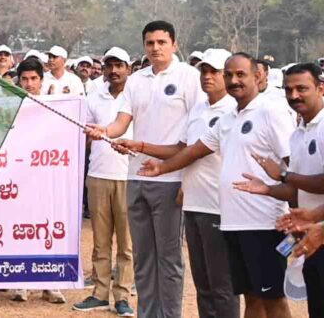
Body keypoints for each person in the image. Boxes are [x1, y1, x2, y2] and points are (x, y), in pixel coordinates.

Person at [137, 53, 295, 318]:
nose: (233, 80)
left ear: (257, 76)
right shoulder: (230, 117)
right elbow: (196, 149)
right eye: (229, 74)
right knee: (252, 298)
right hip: (233, 221)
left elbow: (293, 164)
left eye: (240, 74)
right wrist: (162, 167)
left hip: (264, 223)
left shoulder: (271, 110)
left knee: (273, 299)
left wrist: (299, 213)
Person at [86, 21, 201, 318]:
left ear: (174, 44)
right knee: (143, 256)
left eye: (161, 42)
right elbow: (121, 122)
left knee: (170, 258)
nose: (155, 48)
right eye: (150, 43)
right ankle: (147, 313)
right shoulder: (136, 80)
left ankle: (170, 314)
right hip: (135, 176)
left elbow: (193, 137)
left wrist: (144, 149)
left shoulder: (189, 77)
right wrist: (105, 131)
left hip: (170, 177)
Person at [115, 48, 240, 318]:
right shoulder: (198, 110)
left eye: (216, 72)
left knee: (222, 283)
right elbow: (181, 148)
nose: (208, 77)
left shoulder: (234, 111)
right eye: (204, 71)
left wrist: (164, 169)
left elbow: (196, 151)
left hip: (220, 204)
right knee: (204, 283)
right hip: (195, 202)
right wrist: (142, 147)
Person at [247, 62, 324, 318]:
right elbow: (296, 190)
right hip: (311, 235)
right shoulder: (298, 134)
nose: (294, 96)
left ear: (320, 88)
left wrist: (283, 174)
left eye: (302, 89)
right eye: (289, 90)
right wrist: (268, 190)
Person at [73, 47, 135, 317]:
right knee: (100, 241)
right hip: (98, 174)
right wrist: (91, 137)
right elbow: (84, 136)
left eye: (119, 65)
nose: (114, 70)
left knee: (127, 244)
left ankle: (122, 295)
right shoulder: (94, 96)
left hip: (128, 175)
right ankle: (99, 293)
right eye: (109, 65)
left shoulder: (137, 96)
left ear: (128, 68)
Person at [8, 57, 66, 304]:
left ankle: (50, 284)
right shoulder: (10, 106)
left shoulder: (55, 105)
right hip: (18, 177)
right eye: (25, 79)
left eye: (34, 79)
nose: (29, 84)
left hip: (47, 175)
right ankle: (20, 283)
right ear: (18, 81)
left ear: (41, 80)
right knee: (20, 228)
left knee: (48, 226)